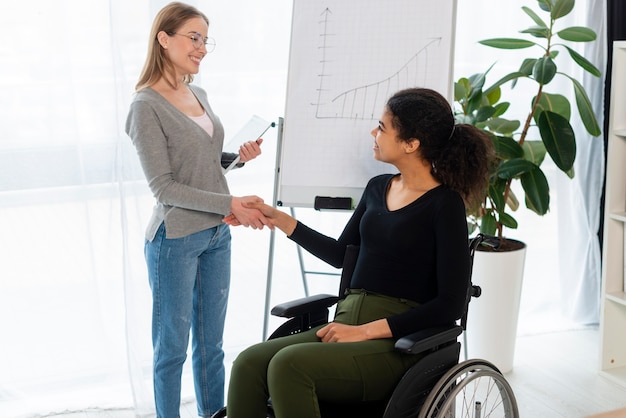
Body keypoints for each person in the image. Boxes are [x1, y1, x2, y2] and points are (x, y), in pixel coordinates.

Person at [222, 87, 494, 418]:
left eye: (382, 127)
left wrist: (364, 331)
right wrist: (276, 217)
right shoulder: (378, 187)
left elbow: (449, 304)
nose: (373, 133)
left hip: (397, 345)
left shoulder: (444, 205)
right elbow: (341, 254)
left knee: (288, 366)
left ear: (411, 144)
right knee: (248, 363)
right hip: (346, 321)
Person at [125, 2, 270, 417]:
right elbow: (165, 186)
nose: (202, 48)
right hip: (174, 240)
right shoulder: (145, 106)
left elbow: (201, 163)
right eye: (194, 37)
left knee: (211, 346)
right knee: (171, 349)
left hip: (215, 235)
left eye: (205, 40)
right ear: (163, 39)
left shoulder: (197, 92)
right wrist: (231, 203)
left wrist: (237, 159)